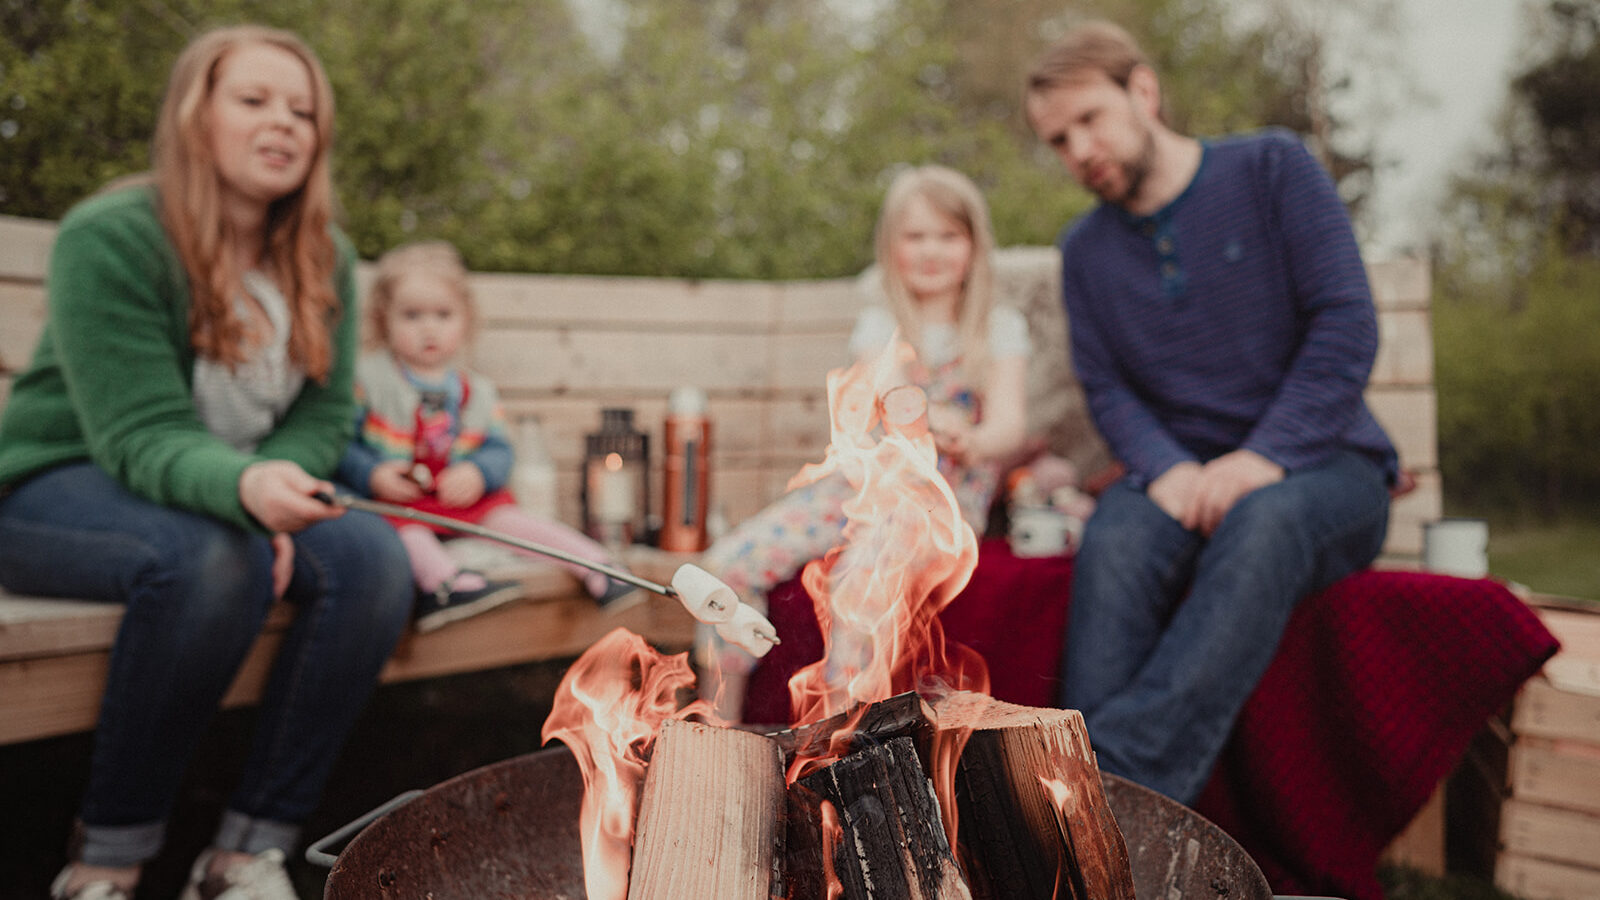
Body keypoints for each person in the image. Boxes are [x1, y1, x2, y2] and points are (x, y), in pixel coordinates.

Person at [0, 25, 417, 900]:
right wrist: (243, 495)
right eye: (255, 100)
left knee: (375, 558)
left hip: (227, 490)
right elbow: (138, 435)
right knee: (209, 560)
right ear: (198, 116)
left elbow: (322, 409)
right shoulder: (109, 237)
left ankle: (243, 855)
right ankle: (104, 865)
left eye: (303, 110)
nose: (285, 124)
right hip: (63, 484)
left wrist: (264, 482)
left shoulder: (323, 255)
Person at [1025, 21, 1399, 805]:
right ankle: (1082, 807)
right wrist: (1166, 469)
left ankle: (1107, 794)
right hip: (1179, 477)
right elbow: (1107, 388)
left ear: (1145, 91)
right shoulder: (1084, 249)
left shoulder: (1273, 168)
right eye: (1059, 140)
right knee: (1118, 538)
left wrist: (1261, 459)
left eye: (1090, 118)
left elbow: (1345, 323)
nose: (1078, 149)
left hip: (1325, 467)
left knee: (1262, 522)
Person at [696, 165, 1031, 720]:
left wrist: (970, 439)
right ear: (890, 247)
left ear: (974, 245)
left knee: (858, 584)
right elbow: (875, 403)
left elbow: (1009, 425)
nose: (931, 251)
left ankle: (837, 739)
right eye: (915, 236)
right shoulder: (880, 326)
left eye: (948, 236)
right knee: (724, 566)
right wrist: (907, 418)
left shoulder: (998, 327)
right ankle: (717, 728)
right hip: (866, 483)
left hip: (939, 500)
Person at [337, 240, 633, 630]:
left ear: (464, 321)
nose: (429, 328)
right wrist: (373, 475)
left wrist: (477, 474)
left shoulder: (475, 391)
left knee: (511, 519)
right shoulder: (368, 380)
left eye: (443, 315)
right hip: (398, 503)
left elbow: (497, 450)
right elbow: (341, 445)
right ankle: (445, 585)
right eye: (411, 315)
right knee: (397, 531)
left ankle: (597, 566)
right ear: (382, 319)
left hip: (461, 501)